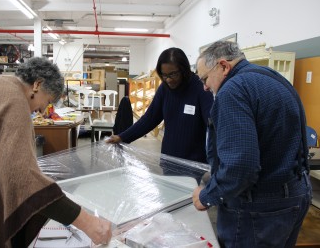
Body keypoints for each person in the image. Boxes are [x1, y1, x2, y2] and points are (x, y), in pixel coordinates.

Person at [0, 57, 112, 247]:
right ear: (37, 85)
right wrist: (89, 224)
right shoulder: (15, 101)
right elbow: (23, 179)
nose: (42, 111)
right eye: (47, 101)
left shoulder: (1, 85)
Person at [193, 41, 312, 247]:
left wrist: (207, 196)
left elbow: (240, 167)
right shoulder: (273, 78)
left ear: (223, 66)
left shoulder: (232, 91)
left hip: (260, 207)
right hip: (295, 193)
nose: (204, 87)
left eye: (205, 78)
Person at [106, 47, 214, 166]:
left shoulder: (200, 88)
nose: (168, 80)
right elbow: (149, 119)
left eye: (173, 74)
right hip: (169, 159)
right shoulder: (164, 89)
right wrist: (122, 137)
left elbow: (213, 125)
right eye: (164, 75)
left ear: (184, 70)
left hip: (195, 163)